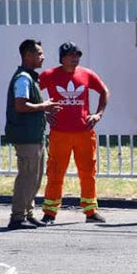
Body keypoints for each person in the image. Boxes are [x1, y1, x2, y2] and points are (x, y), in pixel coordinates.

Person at [39, 42, 109, 224]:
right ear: (62, 58)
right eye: (71, 55)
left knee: (88, 172)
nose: (75, 58)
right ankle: (50, 212)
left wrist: (98, 114)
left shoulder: (87, 74)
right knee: (55, 172)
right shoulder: (49, 75)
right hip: (59, 133)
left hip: (84, 133)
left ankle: (91, 210)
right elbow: (32, 94)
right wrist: (44, 111)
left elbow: (103, 91)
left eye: (77, 55)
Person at [5, 39, 62, 230]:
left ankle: (27, 213)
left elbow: (28, 105)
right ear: (28, 55)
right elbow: (20, 105)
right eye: (39, 53)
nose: (43, 57)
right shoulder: (23, 78)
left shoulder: (30, 77)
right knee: (27, 176)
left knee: (35, 176)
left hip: (34, 135)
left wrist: (43, 111)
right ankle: (18, 217)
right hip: (26, 136)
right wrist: (44, 106)